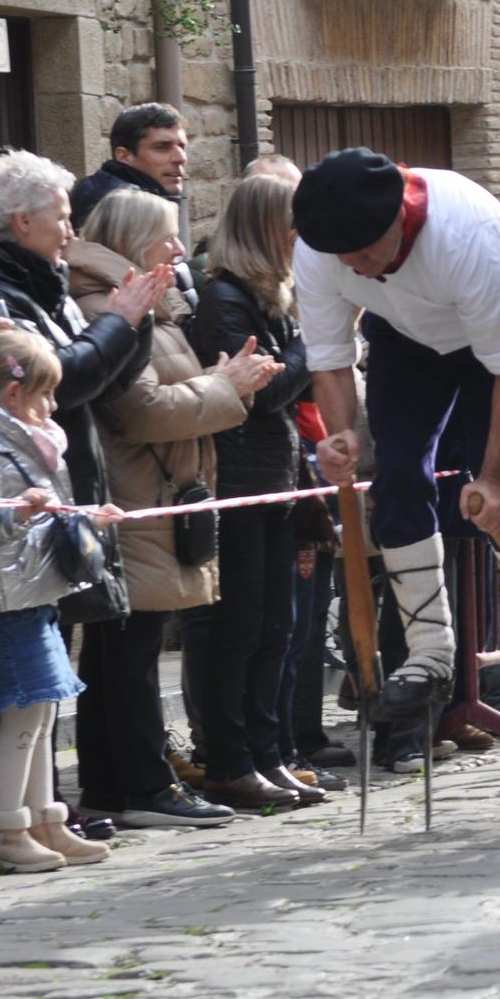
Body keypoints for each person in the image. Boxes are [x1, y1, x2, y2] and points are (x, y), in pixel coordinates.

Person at [293, 148, 500, 719]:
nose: (358, 266)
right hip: (405, 335)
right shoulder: (320, 252)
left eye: (367, 251)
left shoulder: (466, 234)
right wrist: (340, 438)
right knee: (395, 474)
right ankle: (428, 650)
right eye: (346, 258)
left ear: (398, 221)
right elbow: (331, 360)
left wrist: (489, 479)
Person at [69, 190, 264, 825]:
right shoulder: (104, 306)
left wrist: (221, 383)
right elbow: (139, 411)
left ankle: (117, 787)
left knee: (126, 651)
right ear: (130, 242)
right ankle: (142, 788)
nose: (180, 251)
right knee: (125, 654)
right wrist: (224, 387)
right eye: (167, 238)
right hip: (135, 498)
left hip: (155, 496)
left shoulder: (156, 307)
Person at [0, 151, 167, 632]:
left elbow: (109, 384)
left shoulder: (46, 284)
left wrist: (138, 320)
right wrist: (120, 321)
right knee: (34, 668)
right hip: (30, 501)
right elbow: (61, 383)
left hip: (66, 488)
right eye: (63, 219)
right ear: (23, 222)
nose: (71, 233)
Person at [0, 330, 111, 872]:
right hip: (2, 599)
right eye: (46, 394)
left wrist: (78, 516)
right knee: (25, 714)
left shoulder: (14, 437)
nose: (53, 407)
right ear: (14, 394)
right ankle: (7, 828)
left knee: (43, 709)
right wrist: (16, 514)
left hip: (31, 590)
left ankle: (43, 819)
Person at [189, 175, 323, 809]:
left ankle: (269, 754)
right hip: (239, 480)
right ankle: (230, 759)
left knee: (278, 625)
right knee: (239, 627)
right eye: (292, 222)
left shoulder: (274, 299)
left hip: (276, 478)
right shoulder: (224, 299)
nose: (301, 235)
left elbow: (296, 384)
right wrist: (312, 351)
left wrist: (302, 357)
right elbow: (261, 391)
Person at [70, 102, 188, 229]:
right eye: (161, 147)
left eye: (182, 147)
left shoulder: (104, 190)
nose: (180, 158)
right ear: (124, 156)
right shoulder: (121, 208)